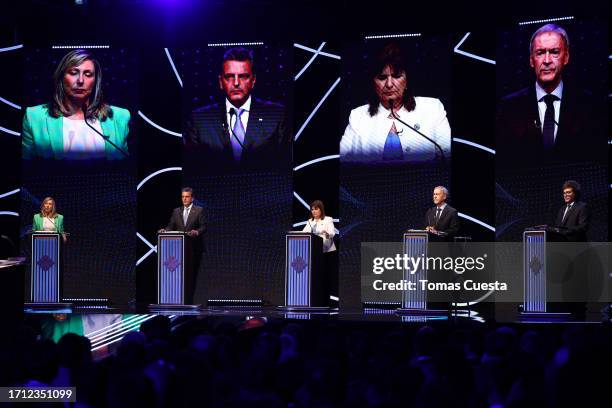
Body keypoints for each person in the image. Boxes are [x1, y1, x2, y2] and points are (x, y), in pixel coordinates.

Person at [496, 24, 605, 165]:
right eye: (540, 53)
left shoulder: (590, 105)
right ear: (531, 60)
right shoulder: (507, 108)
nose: (547, 61)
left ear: (566, 57)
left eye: (554, 52)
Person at [340, 43, 451, 163]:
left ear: (407, 80)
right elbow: (342, 161)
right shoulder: (357, 116)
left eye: (396, 76)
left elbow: (448, 156)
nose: (389, 84)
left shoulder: (432, 108)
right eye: (382, 78)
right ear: (373, 83)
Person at [185, 46, 291, 170]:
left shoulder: (276, 115)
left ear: (253, 80)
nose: (236, 83)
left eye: (243, 76)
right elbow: (192, 169)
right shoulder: (199, 119)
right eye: (229, 76)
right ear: (220, 82)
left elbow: (285, 165)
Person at [22, 49, 130, 160]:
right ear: (61, 78)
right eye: (73, 73)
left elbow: (127, 168)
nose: (80, 80)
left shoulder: (119, 116)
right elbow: (25, 171)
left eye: (88, 74)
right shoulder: (34, 117)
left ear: (96, 81)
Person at [158, 187, 207, 304]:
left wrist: (197, 232)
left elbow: (203, 226)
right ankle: (177, 301)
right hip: (178, 250)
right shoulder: (176, 211)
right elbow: (171, 225)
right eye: (183, 197)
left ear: (192, 198)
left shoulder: (199, 210)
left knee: (192, 277)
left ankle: (189, 301)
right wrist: (166, 230)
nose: (184, 199)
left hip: (194, 249)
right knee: (179, 277)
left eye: (187, 197)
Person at [302, 200, 338, 306]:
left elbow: (332, 232)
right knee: (315, 277)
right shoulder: (310, 221)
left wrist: (326, 233)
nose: (313, 211)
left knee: (326, 277)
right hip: (314, 254)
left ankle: (326, 302)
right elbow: (304, 233)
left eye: (316, 209)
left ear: (321, 209)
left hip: (326, 252)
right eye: (312, 209)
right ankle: (315, 301)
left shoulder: (328, 219)